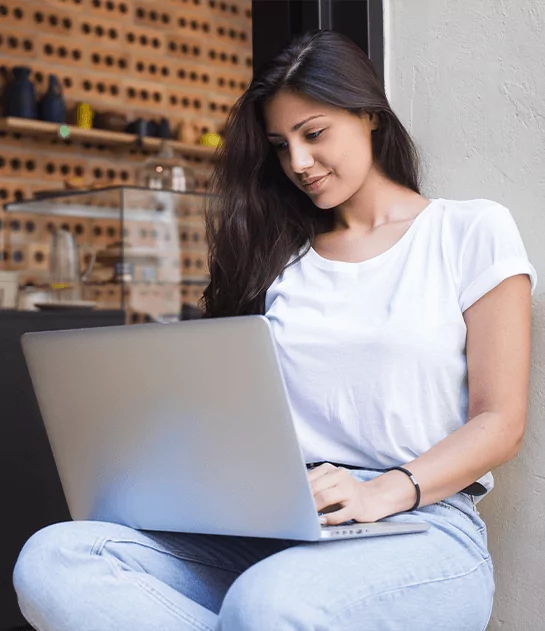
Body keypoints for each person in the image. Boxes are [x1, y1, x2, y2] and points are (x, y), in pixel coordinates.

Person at [13, 29, 537, 631]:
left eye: (314, 134)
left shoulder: (469, 230)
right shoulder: (280, 262)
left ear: (368, 114)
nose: (299, 163)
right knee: (57, 558)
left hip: (424, 523)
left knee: (268, 603)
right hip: (282, 518)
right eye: (281, 146)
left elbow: (500, 422)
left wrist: (381, 491)